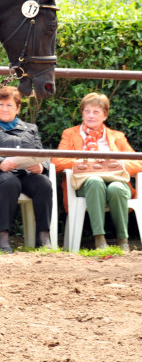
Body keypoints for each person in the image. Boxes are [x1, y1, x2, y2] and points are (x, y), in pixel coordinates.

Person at [51, 92, 142, 252]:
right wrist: (84, 162)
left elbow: (138, 162)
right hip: (86, 184)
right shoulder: (70, 134)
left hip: (116, 180)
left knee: (117, 188)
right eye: (87, 111)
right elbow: (57, 162)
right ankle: (99, 239)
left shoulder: (117, 136)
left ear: (105, 115)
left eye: (96, 112)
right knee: (95, 181)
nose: (91, 116)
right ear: (82, 113)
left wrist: (116, 163)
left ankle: (123, 241)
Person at [0, 86, 53, 253]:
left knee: (44, 184)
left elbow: (42, 152)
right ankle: (3, 236)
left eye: (9, 105)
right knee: (9, 182)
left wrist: (41, 166)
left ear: (18, 108)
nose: (4, 109)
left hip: (25, 174)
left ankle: (44, 236)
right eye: (1, 104)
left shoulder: (30, 128)